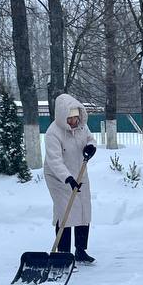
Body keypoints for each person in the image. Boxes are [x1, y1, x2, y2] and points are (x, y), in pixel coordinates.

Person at [44, 92, 98, 264]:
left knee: (83, 210)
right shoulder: (53, 133)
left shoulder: (82, 127)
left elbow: (90, 140)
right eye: (70, 118)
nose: (74, 121)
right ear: (62, 116)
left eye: (76, 117)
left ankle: (81, 251)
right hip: (58, 177)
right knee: (65, 212)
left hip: (79, 172)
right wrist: (67, 178)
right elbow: (54, 161)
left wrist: (91, 147)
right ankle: (63, 254)